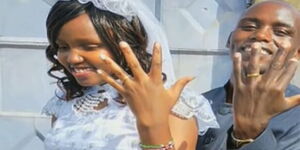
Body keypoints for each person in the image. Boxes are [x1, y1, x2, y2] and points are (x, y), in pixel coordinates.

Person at [42, 0, 219, 149]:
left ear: (125, 43)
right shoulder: (67, 101)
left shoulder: (174, 103)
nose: (72, 58)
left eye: (89, 46)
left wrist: (151, 124)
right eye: (63, 47)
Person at [197, 0, 300, 150]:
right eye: (249, 27)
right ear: (229, 40)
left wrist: (248, 135)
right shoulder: (196, 105)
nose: (261, 35)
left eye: (280, 32)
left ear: (297, 53)